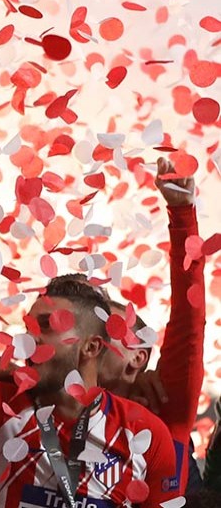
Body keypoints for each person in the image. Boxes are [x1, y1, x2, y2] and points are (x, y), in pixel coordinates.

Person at [0, 273, 182, 508]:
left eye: (46, 326)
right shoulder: (1, 400)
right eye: (28, 326)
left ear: (91, 347)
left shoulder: (145, 431)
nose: (30, 337)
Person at [97, 157, 205, 491]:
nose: (92, 334)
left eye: (109, 328)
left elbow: (189, 320)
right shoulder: (53, 404)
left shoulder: (164, 402)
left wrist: (182, 214)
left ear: (138, 357)